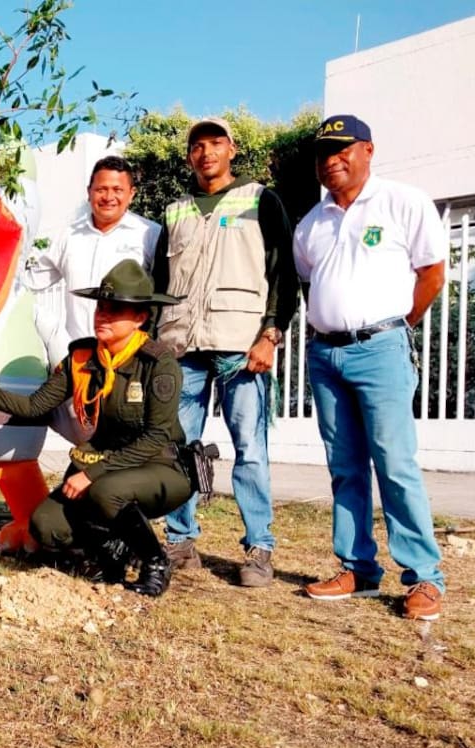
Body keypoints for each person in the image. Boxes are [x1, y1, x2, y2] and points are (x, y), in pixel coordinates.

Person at [0, 259, 190, 596]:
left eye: (116, 309)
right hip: (106, 464)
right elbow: (34, 407)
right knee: (44, 525)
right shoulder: (81, 359)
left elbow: (157, 436)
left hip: (159, 465)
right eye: (101, 307)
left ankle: (154, 561)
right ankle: (112, 553)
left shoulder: (158, 363)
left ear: (140, 318)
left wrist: (91, 474)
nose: (103, 315)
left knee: (107, 492)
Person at [293, 115, 446, 621]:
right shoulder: (310, 224)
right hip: (326, 354)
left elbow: (432, 273)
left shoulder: (403, 202)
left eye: (342, 150)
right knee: (345, 467)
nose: (331, 161)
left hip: (381, 348)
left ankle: (424, 577)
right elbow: (311, 283)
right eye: (322, 153)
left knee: (395, 464)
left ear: (368, 150)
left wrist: (402, 324)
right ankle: (357, 567)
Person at [151, 116, 298, 588]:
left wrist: (270, 334)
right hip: (182, 348)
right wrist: (155, 345)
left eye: (216, 143)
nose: (206, 152)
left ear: (232, 149)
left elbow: (283, 273)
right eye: (197, 145)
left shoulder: (260, 200)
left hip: (240, 347)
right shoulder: (174, 211)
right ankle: (180, 538)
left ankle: (259, 548)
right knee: (178, 448)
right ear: (189, 155)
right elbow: (159, 284)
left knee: (250, 448)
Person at [24, 155, 161, 342]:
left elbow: (163, 292)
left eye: (117, 190)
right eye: (101, 189)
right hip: (79, 355)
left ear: (131, 194)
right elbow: (29, 283)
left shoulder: (150, 234)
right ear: (89, 192)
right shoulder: (67, 235)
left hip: (130, 357)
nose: (108, 197)